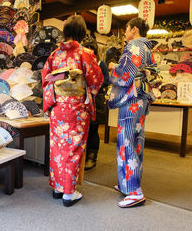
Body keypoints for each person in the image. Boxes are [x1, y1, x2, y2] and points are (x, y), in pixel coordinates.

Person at [42, 15, 104, 207]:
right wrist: (88, 91)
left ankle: (57, 187)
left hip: (59, 108)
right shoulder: (84, 54)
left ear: (65, 32)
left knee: (58, 148)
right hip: (77, 109)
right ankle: (69, 193)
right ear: (82, 33)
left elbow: (46, 79)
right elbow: (96, 80)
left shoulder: (55, 55)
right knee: (73, 148)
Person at [108, 17, 156, 208]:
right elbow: (152, 71)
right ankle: (127, 183)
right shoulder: (147, 48)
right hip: (141, 97)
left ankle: (134, 191)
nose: (125, 34)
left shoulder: (134, 45)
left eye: (126, 29)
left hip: (132, 97)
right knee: (136, 140)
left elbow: (125, 74)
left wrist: (113, 69)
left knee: (126, 139)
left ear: (134, 29)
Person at [82, 37, 109, 170]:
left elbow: (106, 80)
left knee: (93, 130)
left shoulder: (101, 63)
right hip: (83, 100)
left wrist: (92, 86)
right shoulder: (80, 62)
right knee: (83, 130)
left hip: (96, 101)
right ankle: (83, 155)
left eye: (91, 50)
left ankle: (92, 157)